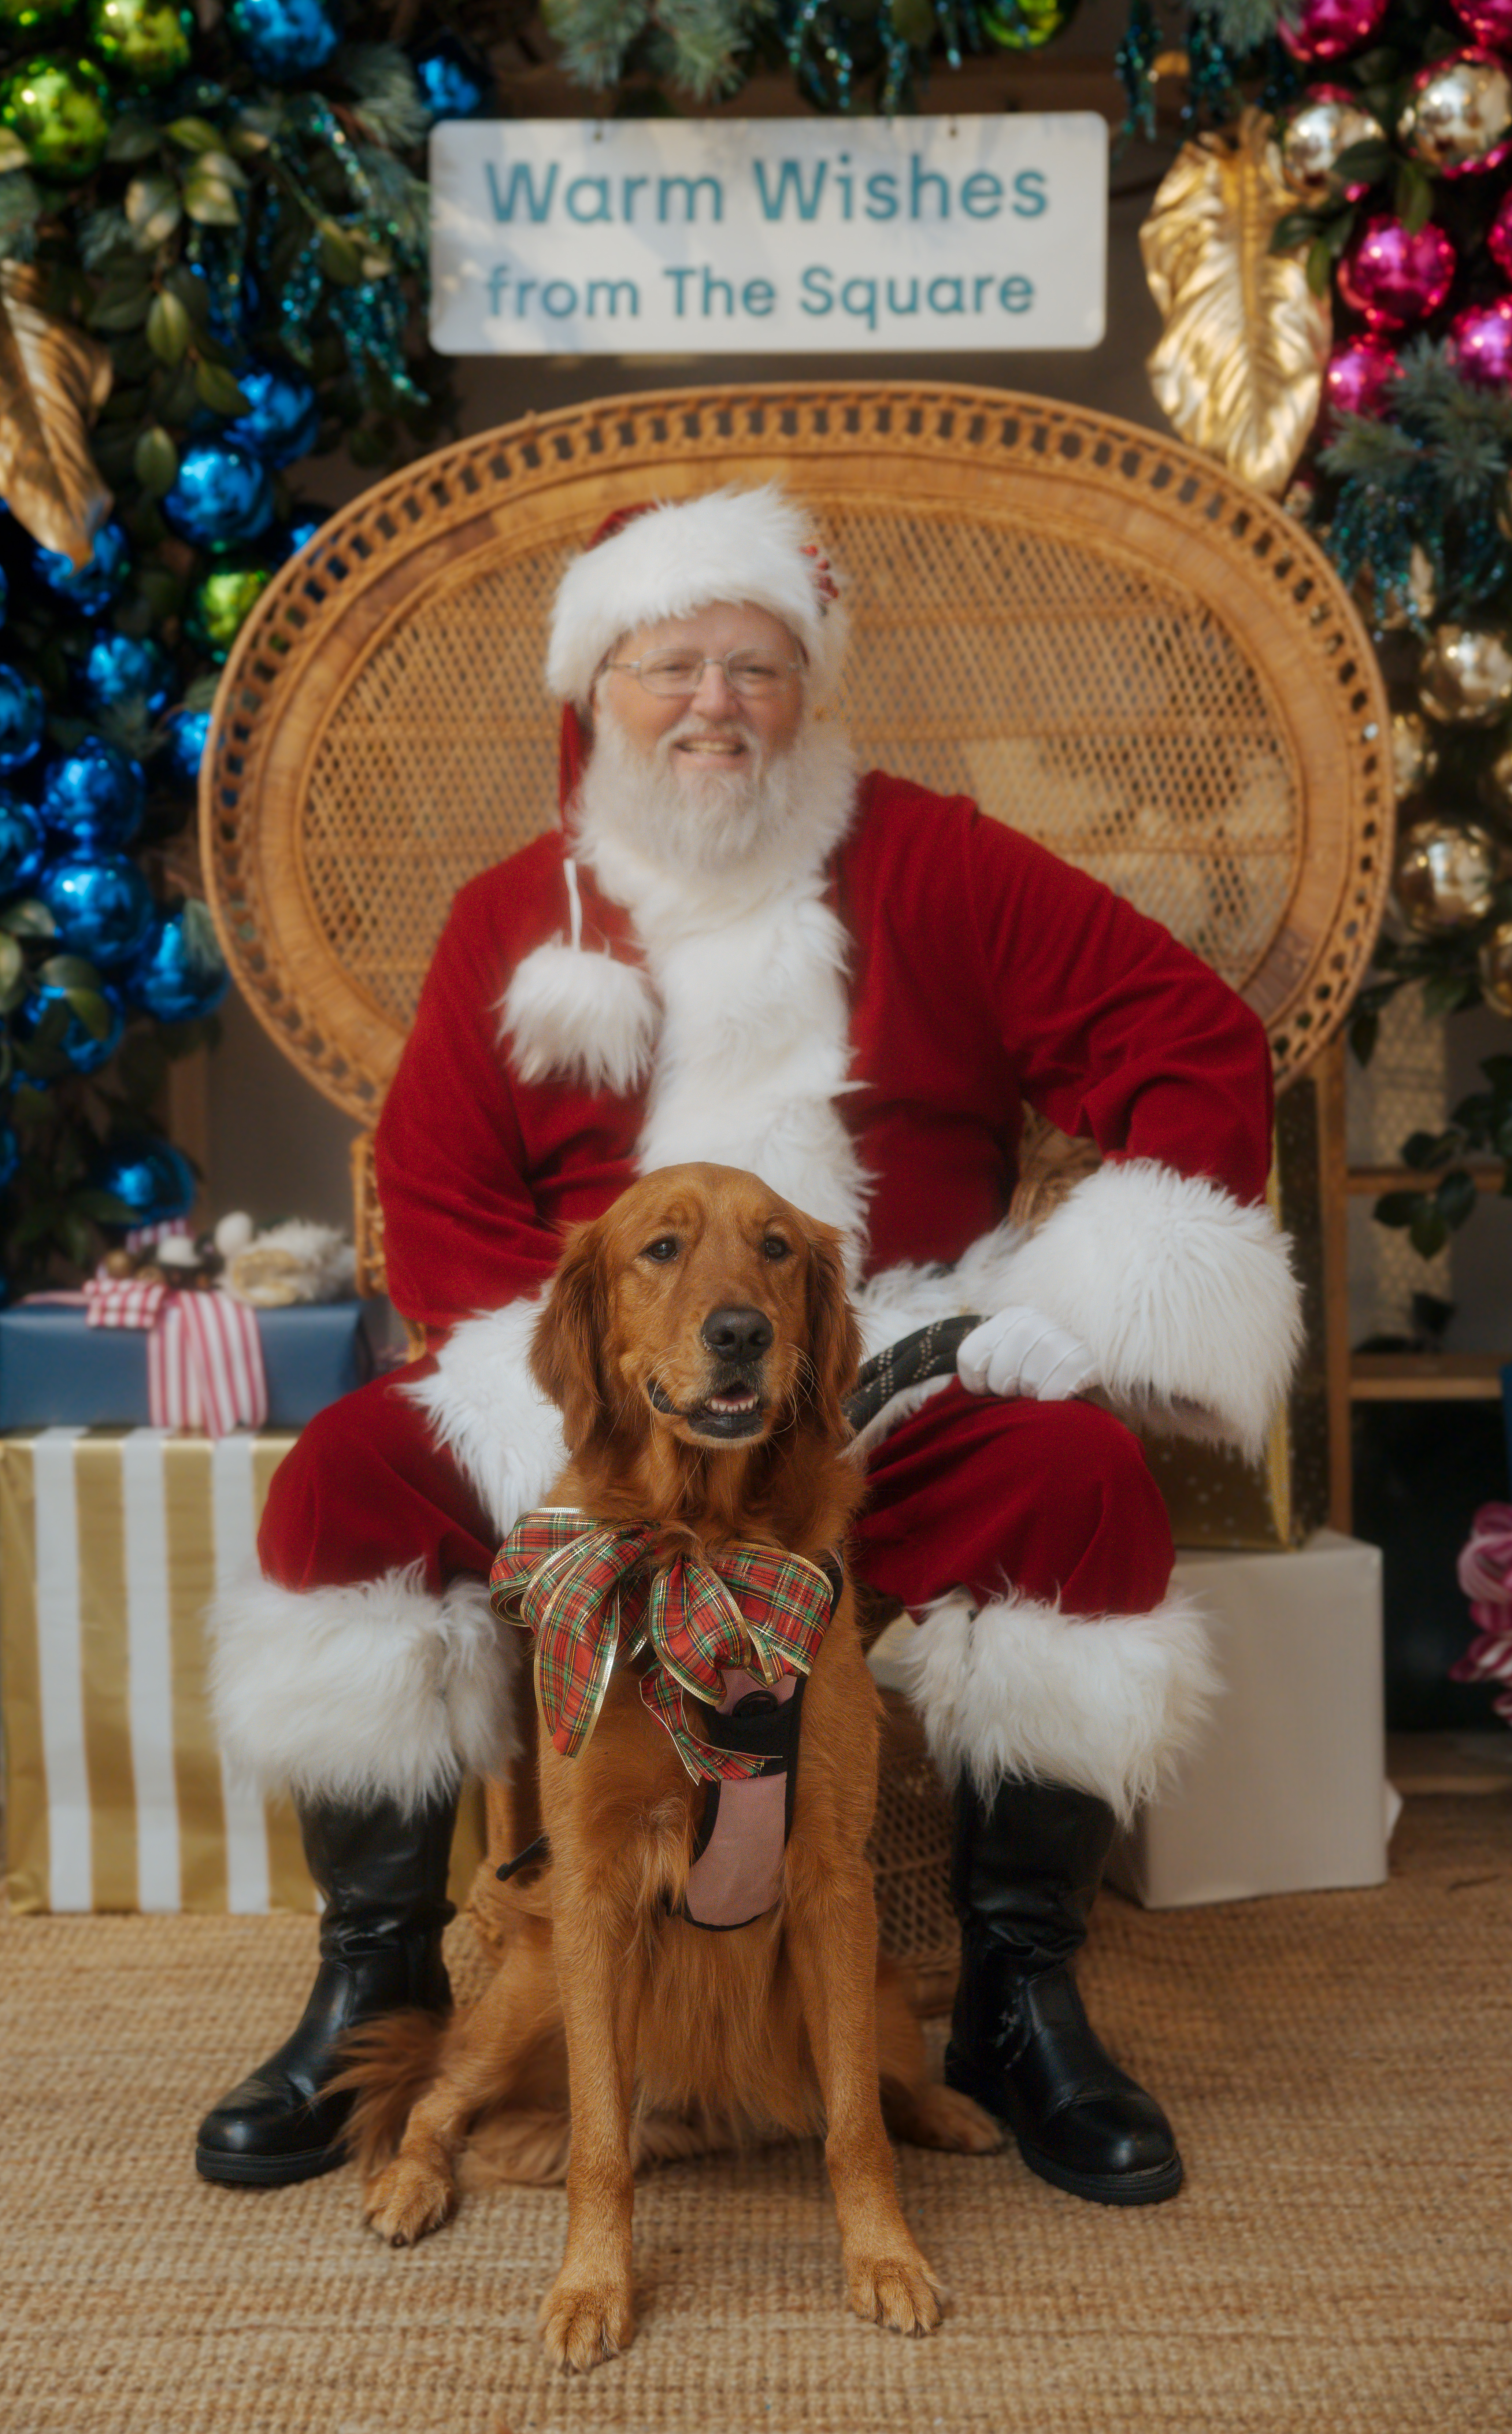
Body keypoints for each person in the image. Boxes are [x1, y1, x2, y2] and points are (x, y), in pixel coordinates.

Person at [199, 487, 1300, 2205]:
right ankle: (375, 1969)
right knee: (348, 1478)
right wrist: (559, 1398)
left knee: (1079, 1484)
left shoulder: (939, 863)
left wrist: (1082, 1295)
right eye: (669, 664)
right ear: (597, 691)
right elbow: (432, 1189)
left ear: (814, 692)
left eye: (758, 667)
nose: (714, 704)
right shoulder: (514, 914)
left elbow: (1190, 1036)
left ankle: (1021, 1993)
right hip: (590, 1417)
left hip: (872, 1402)